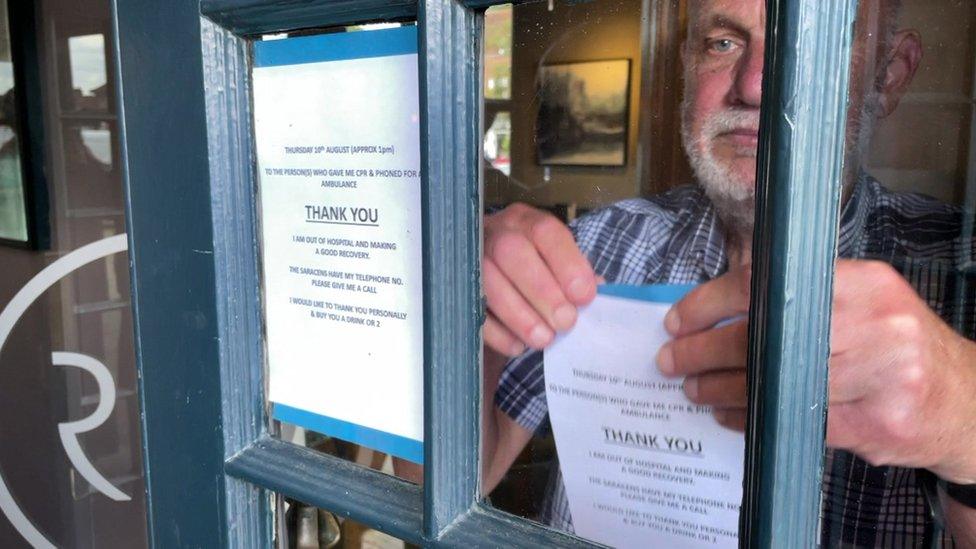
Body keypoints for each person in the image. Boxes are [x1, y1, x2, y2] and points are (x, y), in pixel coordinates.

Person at [480, 0, 976, 545]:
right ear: (687, 70)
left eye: (812, 43)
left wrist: (962, 413)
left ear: (889, 75)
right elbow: (438, 481)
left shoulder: (963, 270)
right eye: (723, 43)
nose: (756, 86)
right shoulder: (600, 244)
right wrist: (466, 301)